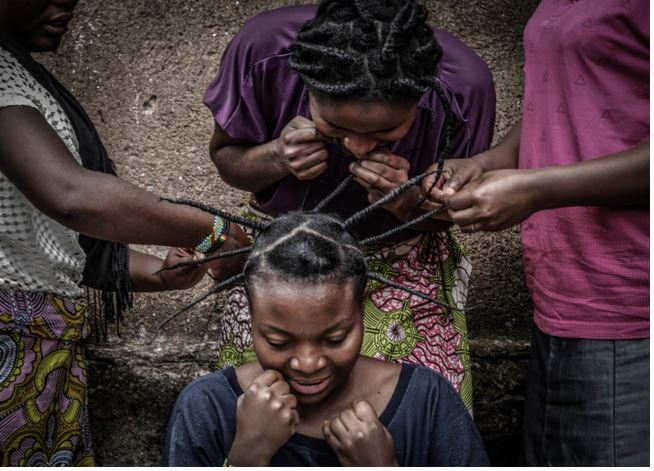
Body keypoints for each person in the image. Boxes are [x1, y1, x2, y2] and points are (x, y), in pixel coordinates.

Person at [203, 0, 496, 411]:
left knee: (405, 417)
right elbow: (226, 158)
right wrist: (275, 157)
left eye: (387, 130)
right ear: (305, 86)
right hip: (280, 267)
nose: (357, 146)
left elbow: (451, 213)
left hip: (404, 267)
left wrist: (411, 202)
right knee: (269, 418)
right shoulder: (264, 50)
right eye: (335, 125)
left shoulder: (463, 86)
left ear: (420, 98)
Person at [0, 0, 249, 466]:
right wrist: (214, 229)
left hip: (43, 346)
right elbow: (70, 196)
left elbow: (45, 243)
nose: (67, 5)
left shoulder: (19, 72)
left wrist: (159, 274)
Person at [422, 0, 649, 466]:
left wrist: (536, 188)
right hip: (564, 293)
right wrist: (487, 163)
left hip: (632, 296)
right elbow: (573, 104)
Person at [164, 211, 489, 466]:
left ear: (363, 313)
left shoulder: (428, 401)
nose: (308, 363)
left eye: (334, 338)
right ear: (251, 318)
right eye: (279, 342)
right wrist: (246, 459)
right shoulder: (206, 408)